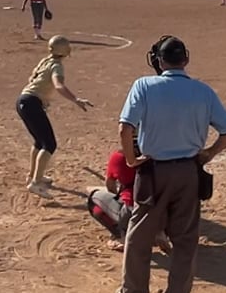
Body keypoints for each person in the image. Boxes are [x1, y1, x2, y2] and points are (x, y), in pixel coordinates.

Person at [117, 35, 226, 293]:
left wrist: (131, 160)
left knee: (139, 235)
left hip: (152, 171)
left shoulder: (144, 85)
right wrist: (208, 154)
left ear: (158, 61)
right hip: (188, 172)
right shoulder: (203, 91)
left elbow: (125, 127)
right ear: (186, 59)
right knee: (185, 240)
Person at [15, 34, 93, 197]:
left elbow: (32, 79)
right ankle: (35, 183)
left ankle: (33, 176)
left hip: (24, 101)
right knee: (49, 144)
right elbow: (58, 85)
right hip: (31, 104)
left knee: (39, 142)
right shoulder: (57, 66)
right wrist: (76, 99)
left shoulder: (45, 61)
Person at [86, 149, 169, 252]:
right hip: (161, 210)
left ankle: (121, 236)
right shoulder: (159, 154)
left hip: (133, 207)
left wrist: (119, 196)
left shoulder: (120, 156)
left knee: (93, 198)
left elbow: (110, 185)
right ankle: (159, 231)